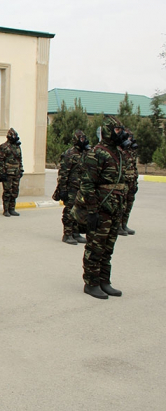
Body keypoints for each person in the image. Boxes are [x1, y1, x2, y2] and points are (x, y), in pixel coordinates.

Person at [72, 115, 129, 299]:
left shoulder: (119, 153)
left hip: (114, 209)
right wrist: (92, 210)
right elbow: (88, 184)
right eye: (117, 130)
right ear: (107, 131)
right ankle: (91, 283)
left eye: (121, 130)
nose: (120, 134)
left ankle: (105, 281)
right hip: (100, 209)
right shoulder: (96, 153)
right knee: (95, 247)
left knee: (108, 248)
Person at [53, 130, 90, 245]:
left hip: (82, 188)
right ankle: (67, 234)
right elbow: (63, 174)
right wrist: (63, 189)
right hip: (71, 188)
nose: (83, 141)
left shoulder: (85, 153)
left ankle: (76, 232)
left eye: (84, 138)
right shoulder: (69, 154)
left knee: (80, 211)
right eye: (81, 139)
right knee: (70, 210)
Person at [0, 128, 24, 217]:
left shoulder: (17, 147)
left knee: (15, 191)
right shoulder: (4, 147)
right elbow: (0, 161)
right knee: (7, 191)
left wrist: (21, 170)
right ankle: (6, 210)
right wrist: (2, 172)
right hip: (8, 173)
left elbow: (20, 160)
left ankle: (12, 208)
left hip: (16, 173)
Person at [119, 129, 138, 236]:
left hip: (132, 181)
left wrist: (135, 181)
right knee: (122, 204)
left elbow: (134, 167)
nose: (130, 139)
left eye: (131, 137)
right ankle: (118, 226)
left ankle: (124, 224)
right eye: (128, 137)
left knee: (129, 203)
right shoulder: (120, 150)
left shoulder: (132, 151)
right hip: (124, 181)